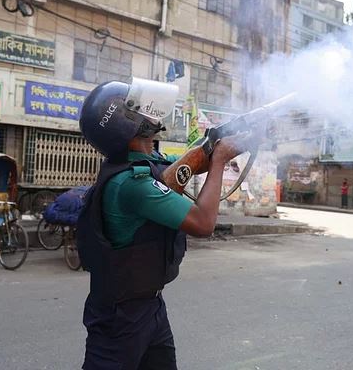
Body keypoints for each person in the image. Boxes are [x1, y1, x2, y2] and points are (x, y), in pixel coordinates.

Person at [77, 78, 245, 370]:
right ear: (127, 124)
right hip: (120, 316)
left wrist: (215, 147)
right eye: (141, 108)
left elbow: (186, 166)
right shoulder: (133, 184)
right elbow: (204, 223)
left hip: (149, 305)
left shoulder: (145, 163)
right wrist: (218, 161)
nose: (151, 111)